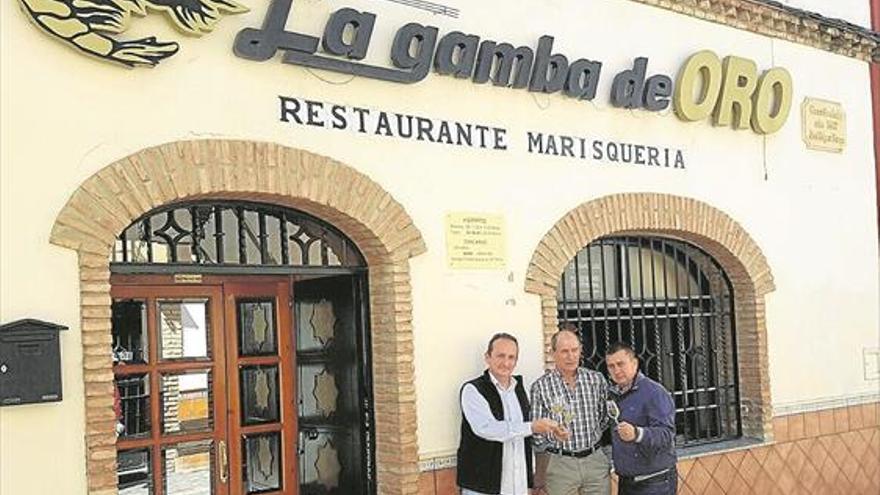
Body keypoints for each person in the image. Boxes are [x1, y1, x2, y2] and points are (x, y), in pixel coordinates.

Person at [457, 332, 564, 495]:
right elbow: (486, 428)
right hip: (483, 487)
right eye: (500, 356)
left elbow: (528, 434)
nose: (506, 363)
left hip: (518, 485)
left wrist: (551, 431)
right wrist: (532, 427)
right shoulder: (472, 390)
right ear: (487, 357)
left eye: (511, 357)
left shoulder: (520, 389)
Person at [531, 324, 611, 495]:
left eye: (575, 350)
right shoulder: (540, 387)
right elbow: (537, 434)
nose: (571, 356)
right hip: (560, 464)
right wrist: (554, 433)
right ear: (553, 353)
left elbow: (605, 418)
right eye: (564, 351)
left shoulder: (596, 380)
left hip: (595, 460)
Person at [605, 342, 677, 495]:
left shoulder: (654, 392)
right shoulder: (613, 395)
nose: (616, 370)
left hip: (655, 482)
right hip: (626, 481)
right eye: (611, 366)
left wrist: (637, 434)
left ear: (635, 363)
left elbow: (667, 435)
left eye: (620, 364)